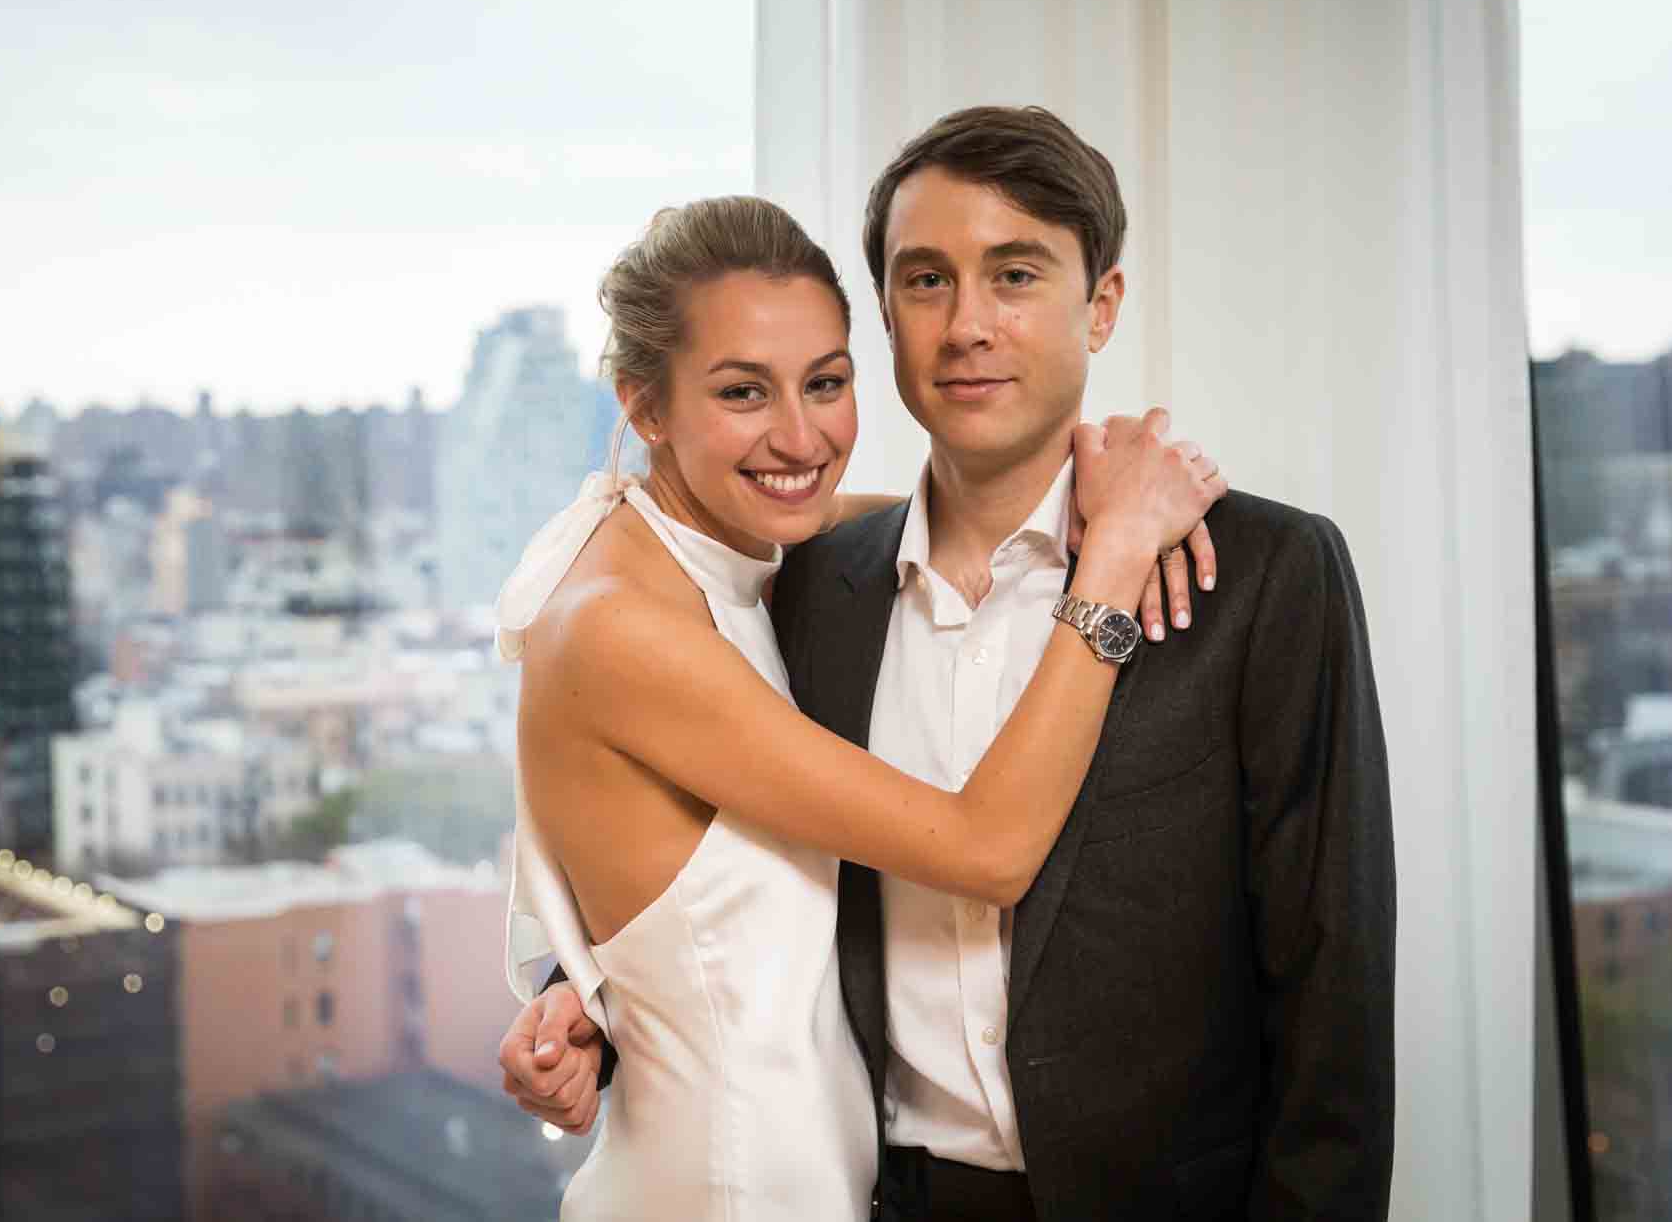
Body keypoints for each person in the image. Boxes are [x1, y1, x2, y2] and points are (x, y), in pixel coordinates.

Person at [503, 107, 1396, 1220]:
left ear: (1100, 305)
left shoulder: (1258, 573)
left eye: (1013, 274)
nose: (967, 324)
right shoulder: (808, 586)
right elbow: (704, 865)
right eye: (926, 281)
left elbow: (1333, 987)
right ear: (886, 317)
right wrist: (593, 1001)